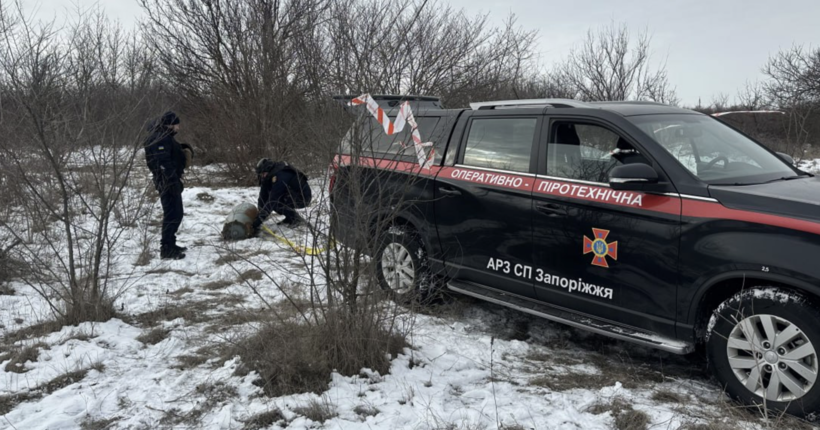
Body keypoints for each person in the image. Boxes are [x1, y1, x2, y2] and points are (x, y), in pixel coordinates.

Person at [144, 111, 193, 260]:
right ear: (170, 124)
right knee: (173, 214)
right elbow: (163, 162)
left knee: (175, 213)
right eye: (177, 124)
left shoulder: (165, 137)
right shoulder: (160, 139)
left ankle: (170, 244)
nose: (178, 127)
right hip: (166, 182)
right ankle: (166, 249)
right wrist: (172, 181)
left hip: (169, 180)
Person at [252, 158, 312, 234]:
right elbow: (263, 195)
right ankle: (289, 218)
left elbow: (273, 200)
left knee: (276, 202)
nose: (262, 176)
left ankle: (295, 219)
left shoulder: (281, 175)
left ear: (268, 170)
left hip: (303, 197)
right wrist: (260, 213)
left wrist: (258, 221)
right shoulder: (270, 175)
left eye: (263, 174)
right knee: (275, 201)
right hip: (291, 195)